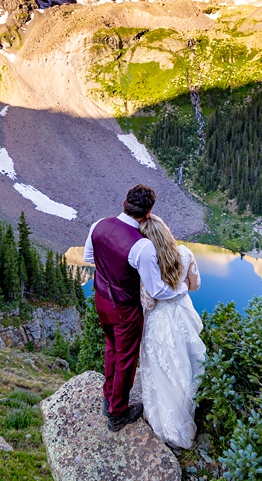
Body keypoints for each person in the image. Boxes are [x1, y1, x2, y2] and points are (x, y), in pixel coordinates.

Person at [82, 184, 180, 431]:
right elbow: (156, 290)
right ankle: (117, 413)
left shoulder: (98, 225)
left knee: (111, 348)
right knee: (126, 359)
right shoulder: (142, 246)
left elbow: (89, 258)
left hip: (101, 299)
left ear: (124, 204)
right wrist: (180, 290)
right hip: (125, 309)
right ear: (148, 213)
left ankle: (108, 396)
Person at [137, 214, 206, 449]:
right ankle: (185, 416)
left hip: (159, 320)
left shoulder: (148, 263)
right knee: (186, 366)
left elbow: (148, 302)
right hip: (183, 315)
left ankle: (164, 422)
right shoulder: (185, 253)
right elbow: (195, 285)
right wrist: (181, 286)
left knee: (161, 369)